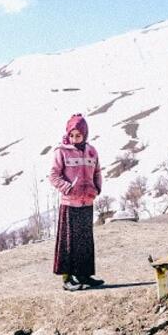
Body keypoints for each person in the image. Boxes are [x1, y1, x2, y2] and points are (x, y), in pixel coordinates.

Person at [49, 114, 104, 291]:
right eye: (71, 135)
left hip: (87, 202)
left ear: (85, 134)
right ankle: (68, 279)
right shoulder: (61, 151)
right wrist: (68, 188)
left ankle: (84, 275)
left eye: (78, 135)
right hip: (70, 204)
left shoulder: (92, 151)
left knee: (85, 241)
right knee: (69, 242)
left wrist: (97, 189)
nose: (74, 139)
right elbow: (54, 176)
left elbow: (97, 172)